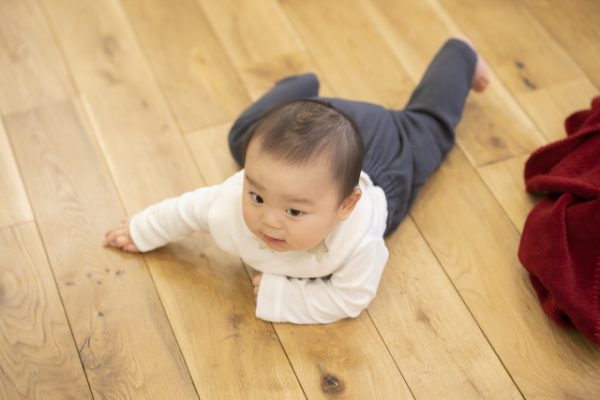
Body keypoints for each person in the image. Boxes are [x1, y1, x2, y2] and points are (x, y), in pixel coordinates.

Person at [103, 37, 490, 324]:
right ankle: (297, 89)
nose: (269, 220)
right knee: (243, 138)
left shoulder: (358, 239)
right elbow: (187, 210)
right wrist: (144, 228)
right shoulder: (231, 202)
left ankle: (460, 55)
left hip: (385, 149)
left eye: (293, 211)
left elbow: (351, 297)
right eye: (256, 197)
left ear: (345, 206)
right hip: (318, 125)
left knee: (431, 132)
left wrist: (286, 297)